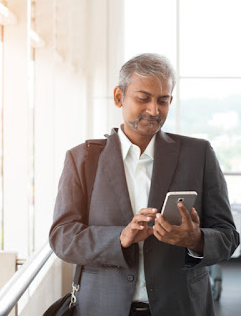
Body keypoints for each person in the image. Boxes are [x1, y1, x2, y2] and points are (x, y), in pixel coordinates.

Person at [49, 53, 239, 316]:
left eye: (163, 101)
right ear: (119, 97)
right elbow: (62, 237)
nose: (153, 110)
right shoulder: (82, 159)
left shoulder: (199, 154)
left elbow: (228, 236)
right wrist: (120, 237)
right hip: (102, 308)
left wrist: (196, 239)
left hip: (182, 307)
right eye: (143, 98)